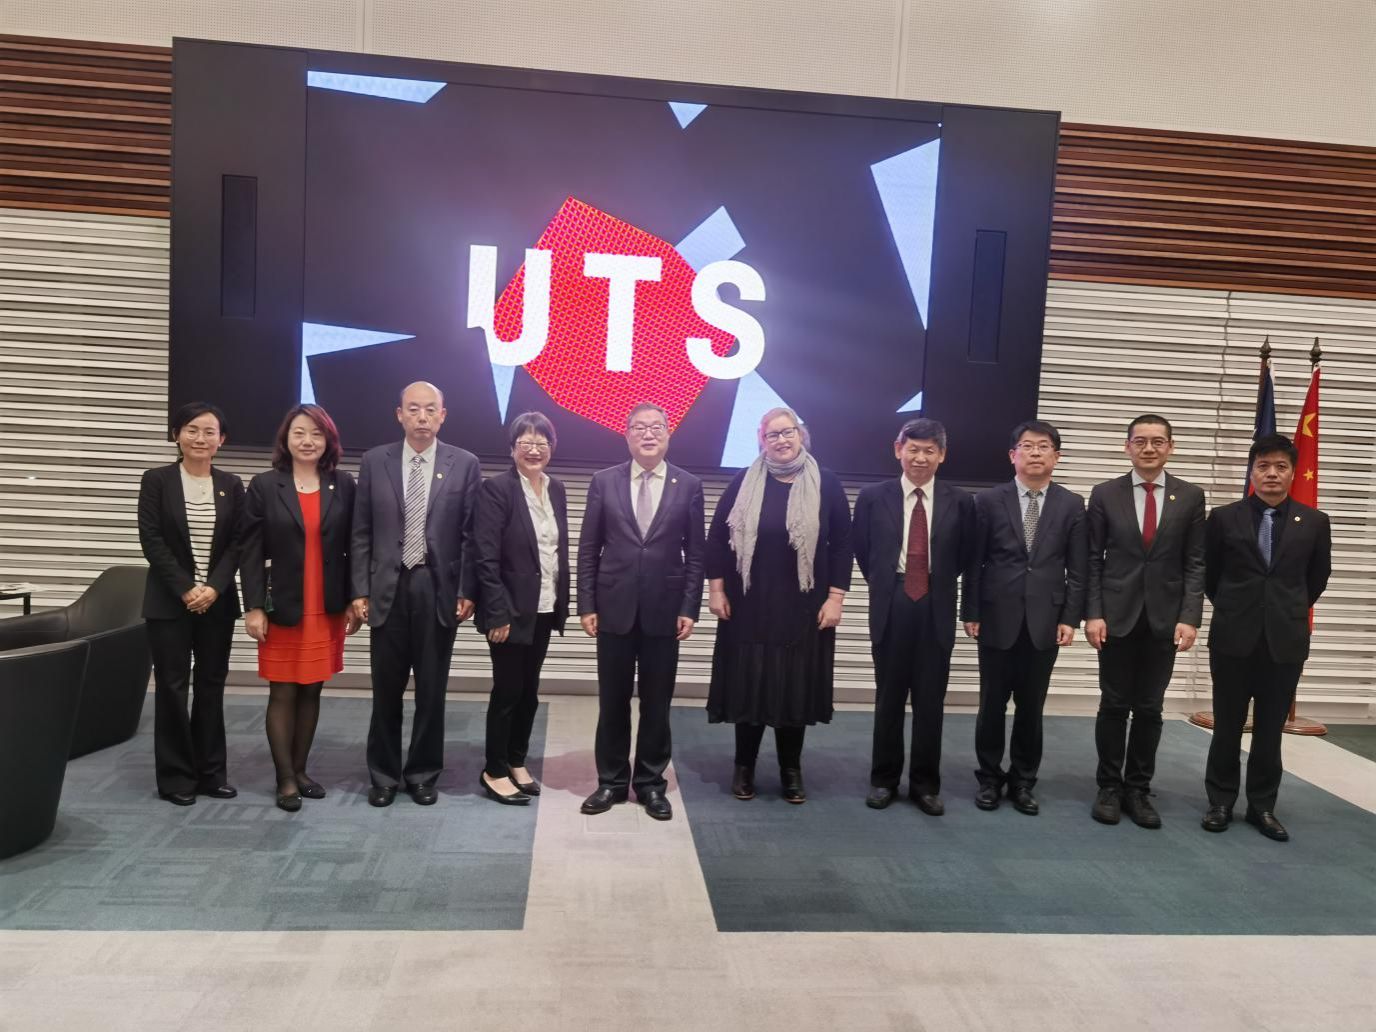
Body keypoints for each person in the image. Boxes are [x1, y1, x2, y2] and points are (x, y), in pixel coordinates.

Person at [705, 408, 852, 804]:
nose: (782, 441)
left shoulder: (827, 483)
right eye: (773, 435)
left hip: (804, 606)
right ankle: (744, 767)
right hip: (749, 603)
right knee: (749, 685)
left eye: (788, 433)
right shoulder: (744, 480)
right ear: (761, 439)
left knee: (794, 688)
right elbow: (717, 538)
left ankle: (791, 770)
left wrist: (836, 598)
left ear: (801, 436)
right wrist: (716, 590)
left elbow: (842, 544)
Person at [351, 382, 482, 807]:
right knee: (385, 690)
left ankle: (423, 774)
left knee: (431, 689)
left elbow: (471, 535)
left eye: (430, 409)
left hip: (437, 588)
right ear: (399, 414)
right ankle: (384, 775)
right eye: (413, 409)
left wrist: (467, 589)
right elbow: (361, 531)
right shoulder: (375, 461)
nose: (422, 417)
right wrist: (359, 589)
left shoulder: (464, 463)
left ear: (443, 415)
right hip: (386, 588)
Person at [578, 402, 705, 821]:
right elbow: (588, 548)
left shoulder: (688, 485)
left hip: (665, 611)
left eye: (656, 427)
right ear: (627, 435)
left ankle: (651, 783)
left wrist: (689, 606)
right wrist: (587, 604)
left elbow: (696, 554)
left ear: (668, 434)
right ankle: (611, 782)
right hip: (613, 608)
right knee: (612, 701)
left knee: (656, 703)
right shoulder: (604, 481)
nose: (648, 434)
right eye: (639, 428)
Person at [1201, 432, 1331, 842]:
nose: (1271, 473)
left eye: (1280, 466)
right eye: (1263, 466)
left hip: (1284, 640)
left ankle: (1262, 806)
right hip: (1233, 637)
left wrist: (1280, 609)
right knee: (1227, 726)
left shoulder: (1315, 522)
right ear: (1252, 472)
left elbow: (1316, 579)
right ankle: (1220, 801)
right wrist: (1241, 607)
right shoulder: (1224, 518)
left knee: (1270, 729)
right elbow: (1210, 576)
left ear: (1293, 472)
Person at [1084, 414, 1205, 828]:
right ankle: (1108, 787)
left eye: (1157, 441)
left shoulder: (1190, 496)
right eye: (1140, 441)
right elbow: (1092, 559)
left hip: (1164, 619)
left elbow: (1195, 562)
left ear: (1170, 447)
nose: (1149, 448)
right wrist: (1093, 612)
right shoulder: (1105, 494)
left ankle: (1138, 788)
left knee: (1150, 708)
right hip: (1115, 616)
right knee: (1114, 704)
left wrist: (1190, 617)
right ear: (1127, 447)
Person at [239, 404, 361, 812]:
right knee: (283, 691)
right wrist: (254, 606)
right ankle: (285, 778)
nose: (308, 441)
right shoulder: (264, 485)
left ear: (328, 440)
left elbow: (354, 545)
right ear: (286, 439)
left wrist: (354, 598)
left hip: (326, 605)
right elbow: (250, 550)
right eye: (299, 433)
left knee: (312, 689)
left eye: (316, 434)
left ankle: (302, 770)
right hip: (282, 604)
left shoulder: (343, 484)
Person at [962, 419, 1086, 816]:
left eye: (1043, 446)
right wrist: (971, 610)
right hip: (996, 616)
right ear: (1012, 455)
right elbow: (975, 562)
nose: (1035, 452)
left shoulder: (1071, 504)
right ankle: (988, 777)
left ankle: (1023, 780)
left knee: (1032, 707)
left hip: (1045, 619)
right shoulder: (987, 501)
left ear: (1056, 456)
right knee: (992, 704)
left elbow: (1078, 568)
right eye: (1027, 446)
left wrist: (1070, 618)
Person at [854, 418, 975, 815]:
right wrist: (888, 584)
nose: (920, 458)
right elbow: (864, 551)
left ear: (942, 455)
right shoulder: (873, 497)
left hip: (936, 604)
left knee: (930, 701)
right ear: (898, 450)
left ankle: (925, 785)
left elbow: (966, 556)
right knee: (888, 697)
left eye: (929, 451)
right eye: (913, 449)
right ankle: (883, 780)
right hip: (892, 602)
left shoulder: (961, 502)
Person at [137, 401, 245, 806]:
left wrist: (213, 588)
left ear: (221, 439)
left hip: (217, 603)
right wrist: (186, 588)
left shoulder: (232, 484)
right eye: (192, 429)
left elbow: (238, 543)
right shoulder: (157, 480)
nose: (200, 438)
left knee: (211, 686)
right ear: (176, 435)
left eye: (209, 431)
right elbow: (152, 540)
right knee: (172, 687)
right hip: (169, 603)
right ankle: (176, 778)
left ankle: (211, 774)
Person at [473, 412, 570, 806]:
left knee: (530, 690)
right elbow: (485, 557)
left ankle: (516, 759)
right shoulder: (496, 489)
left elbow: (554, 550)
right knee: (508, 691)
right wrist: (496, 613)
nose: (534, 449)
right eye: (526, 442)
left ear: (551, 447)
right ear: (512, 448)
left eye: (541, 442)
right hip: (509, 612)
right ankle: (494, 769)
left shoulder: (556, 488)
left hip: (543, 606)